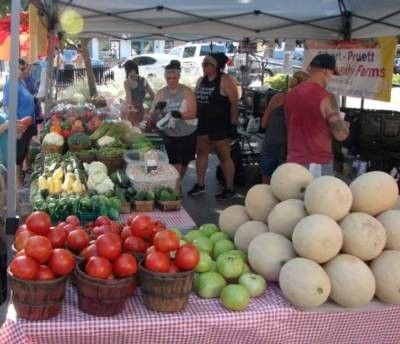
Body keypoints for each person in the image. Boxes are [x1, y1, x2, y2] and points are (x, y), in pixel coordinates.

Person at [284, 54, 349, 176]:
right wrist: (345, 126)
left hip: (293, 161)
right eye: (332, 74)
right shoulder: (327, 98)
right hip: (317, 163)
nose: (331, 78)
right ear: (326, 72)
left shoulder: (291, 94)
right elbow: (341, 134)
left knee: (294, 195)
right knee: (318, 195)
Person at [188, 52, 239, 200]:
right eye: (203, 64)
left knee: (224, 156)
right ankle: (200, 184)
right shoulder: (201, 81)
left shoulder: (225, 80)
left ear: (216, 66)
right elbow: (195, 99)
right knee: (201, 153)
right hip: (203, 124)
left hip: (220, 125)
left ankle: (229, 187)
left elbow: (234, 103)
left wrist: (233, 125)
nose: (204, 67)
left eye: (207, 64)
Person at [150, 60, 197, 181]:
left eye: (174, 78)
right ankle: (176, 186)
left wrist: (180, 115)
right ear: (165, 77)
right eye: (168, 78)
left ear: (179, 77)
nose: (171, 81)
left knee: (185, 162)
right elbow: (152, 116)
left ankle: (178, 182)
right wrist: (157, 109)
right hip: (171, 134)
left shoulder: (187, 92)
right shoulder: (161, 93)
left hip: (187, 132)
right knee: (175, 162)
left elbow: (193, 113)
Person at [260, 71, 309, 183]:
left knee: (266, 179)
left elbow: (264, 124)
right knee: (285, 183)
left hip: (271, 142)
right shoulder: (304, 102)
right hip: (289, 147)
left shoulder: (278, 97)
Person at [2, 59, 35, 186]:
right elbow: (8, 107)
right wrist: (17, 126)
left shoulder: (20, 83)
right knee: (17, 156)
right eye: (21, 69)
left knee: (21, 154)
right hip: (20, 126)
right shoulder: (11, 85)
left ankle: (19, 182)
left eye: (24, 68)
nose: (24, 71)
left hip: (26, 125)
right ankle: (17, 184)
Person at [123, 60, 155, 126]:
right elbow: (153, 95)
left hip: (133, 110)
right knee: (138, 128)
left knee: (133, 129)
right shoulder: (143, 80)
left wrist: (128, 112)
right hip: (140, 109)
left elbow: (129, 100)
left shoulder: (127, 82)